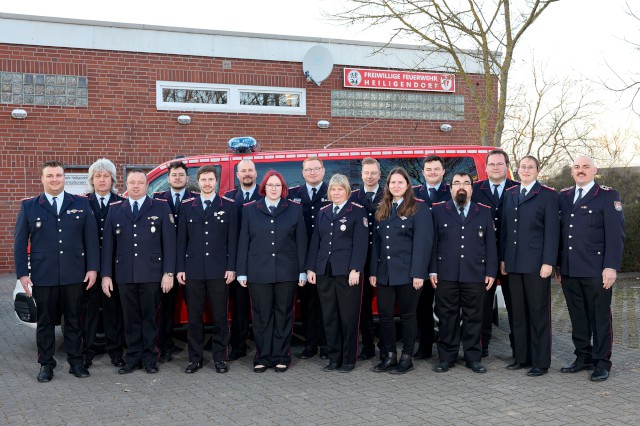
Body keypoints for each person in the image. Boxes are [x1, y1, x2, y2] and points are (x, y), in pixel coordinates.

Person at [14, 160, 99, 382]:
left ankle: (76, 362)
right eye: (50, 176)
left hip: (74, 273)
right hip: (44, 275)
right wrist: (23, 274)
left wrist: (92, 269)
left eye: (58, 175)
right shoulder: (30, 206)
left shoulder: (81, 204)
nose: (54, 180)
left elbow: (90, 240)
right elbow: (20, 242)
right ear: (42, 179)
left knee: (74, 320)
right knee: (45, 322)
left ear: (64, 178)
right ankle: (46, 364)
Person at [557, 155, 625, 382]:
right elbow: (560, 233)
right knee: (578, 317)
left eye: (586, 166)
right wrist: (559, 265)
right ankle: (583, 357)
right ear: (572, 172)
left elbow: (615, 235)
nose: (581, 170)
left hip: (597, 270)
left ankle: (602, 362)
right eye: (577, 167)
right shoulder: (564, 196)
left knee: (600, 318)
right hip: (569, 269)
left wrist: (611, 267)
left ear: (595, 170)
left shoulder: (607, 195)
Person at [101, 169, 176, 374]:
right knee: (130, 318)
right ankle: (133, 357)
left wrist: (168, 272)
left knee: (150, 318)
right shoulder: (115, 209)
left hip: (152, 274)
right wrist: (106, 275)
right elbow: (108, 245)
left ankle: (150, 357)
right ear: (126, 185)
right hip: (124, 275)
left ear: (146, 186)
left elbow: (170, 243)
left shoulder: (160, 207)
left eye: (140, 183)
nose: (136, 186)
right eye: (132, 182)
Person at [237, 170, 308, 373]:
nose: (274, 188)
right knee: (261, 316)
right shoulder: (250, 209)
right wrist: (242, 271)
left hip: (287, 272)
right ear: (264, 188)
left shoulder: (294, 209)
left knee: (283, 314)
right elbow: (244, 241)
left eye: (278, 185)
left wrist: (302, 271)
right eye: (270, 185)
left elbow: (301, 242)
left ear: (283, 188)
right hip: (258, 272)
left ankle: (281, 356)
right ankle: (263, 356)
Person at [430, 172, 497, 374]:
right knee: (447, 317)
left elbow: (491, 245)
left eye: (466, 183)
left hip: (475, 273)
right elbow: (432, 243)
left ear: (471, 188)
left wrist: (491, 271)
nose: (461, 186)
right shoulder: (437, 210)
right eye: (457, 183)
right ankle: (446, 358)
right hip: (445, 274)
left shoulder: (484, 212)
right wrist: (432, 269)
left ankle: (473, 357)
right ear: (450, 188)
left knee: (474, 317)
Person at [370, 167, 433, 374]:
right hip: (385, 273)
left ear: (408, 185)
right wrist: (373, 272)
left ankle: (407, 357)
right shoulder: (382, 208)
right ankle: (389, 355)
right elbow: (376, 245)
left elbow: (422, 244)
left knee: (407, 316)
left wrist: (418, 273)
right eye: (392, 183)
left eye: (400, 182)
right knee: (386, 316)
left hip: (408, 274)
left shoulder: (418, 208)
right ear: (387, 186)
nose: (396, 186)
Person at [501, 156, 559, 377]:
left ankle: (540, 362)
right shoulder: (511, 194)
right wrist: (504, 259)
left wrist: (548, 262)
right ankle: (521, 358)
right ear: (517, 170)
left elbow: (552, 232)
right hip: (514, 263)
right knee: (518, 313)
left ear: (537, 170)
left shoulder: (547, 195)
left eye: (530, 167)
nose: (526, 170)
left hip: (536, 265)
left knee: (538, 313)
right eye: (522, 167)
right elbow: (506, 230)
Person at [177, 166, 237, 374]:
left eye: (211, 179)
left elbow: (233, 240)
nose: (207, 183)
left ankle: (220, 357)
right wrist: (180, 268)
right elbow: (181, 240)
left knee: (220, 316)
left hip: (219, 271)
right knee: (194, 318)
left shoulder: (228, 206)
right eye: (203, 180)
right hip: (193, 270)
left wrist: (231, 267)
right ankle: (195, 359)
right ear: (198, 182)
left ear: (216, 182)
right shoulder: (187, 206)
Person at [307, 174, 369, 373]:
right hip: (325, 271)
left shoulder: (357, 212)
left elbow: (361, 245)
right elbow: (316, 241)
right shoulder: (323, 212)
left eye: (340, 189)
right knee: (330, 316)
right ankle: (334, 359)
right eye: (333, 189)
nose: (336, 192)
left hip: (347, 272)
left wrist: (356, 269)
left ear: (347, 191)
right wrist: (311, 268)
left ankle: (349, 359)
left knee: (348, 317)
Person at [81, 158, 127, 370]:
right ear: (92, 180)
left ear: (112, 179)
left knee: (113, 312)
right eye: (97, 176)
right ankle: (86, 353)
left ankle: (115, 352)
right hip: (88, 268)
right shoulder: (81, 203)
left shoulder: (121, 203)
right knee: (88, 313)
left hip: (114, 268)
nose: (102, 180)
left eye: (105, 176)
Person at [471, 149, 517, 357]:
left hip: (513, 257)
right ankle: (481, 348)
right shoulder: (474, 189)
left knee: (516, 307)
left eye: (500, 164)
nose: (496, 168)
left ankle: (519, 350)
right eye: (492, 164)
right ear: (485, 167)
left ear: (506, 166)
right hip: (482, 257)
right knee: (482, 307)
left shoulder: (518, 189)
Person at [152, 160, 198, 363]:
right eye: (173, 175)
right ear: (168, 178)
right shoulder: (157, 199)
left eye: (181, 175)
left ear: (187, 178)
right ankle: (164, 347)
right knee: (165, 308)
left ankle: (194, 351)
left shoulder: (195, 199)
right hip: (166, 263)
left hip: (190, 262)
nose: (177, 178)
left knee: (194, 308)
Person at [288, 156, 330, 359]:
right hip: (302, 257)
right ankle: (310, 344)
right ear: (303, 173)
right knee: (307, 304)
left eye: (316, 168)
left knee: (325, 303)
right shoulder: (294, 194)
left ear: (323, 171)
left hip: (326, 256)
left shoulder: (332, 191)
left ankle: (325, 344)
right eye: (308, 169)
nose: (312, 172)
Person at [412, 155, 451, 360]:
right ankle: (424, 347)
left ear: (443, 171)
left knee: (445, 308)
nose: (433, 172)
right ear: (423, 172)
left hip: (445, 258)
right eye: (429, 169)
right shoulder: (413, 194)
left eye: (437, 169)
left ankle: (445, 351)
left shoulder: (451, 191)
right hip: (421, 259)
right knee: (422, 307)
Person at [224, 159, 260, 361]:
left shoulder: (265, 195)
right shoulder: (229, 198)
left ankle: (264, 345)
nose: (247, 174)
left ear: (256, 174)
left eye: (250, 170)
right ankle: (238, 346)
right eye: (243, 171)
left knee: (261, 306)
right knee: (238, 307)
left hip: (260, 260)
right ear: (237, 175)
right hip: (237, 261)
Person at [349, 157, 384, 360]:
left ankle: (387, 346)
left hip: (383, 257)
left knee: (387, 303)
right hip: (360, 258)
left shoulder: (388, 195)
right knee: (362, 305)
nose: (369, 176)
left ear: (380, 174)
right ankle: (368, 345)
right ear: (361, 175)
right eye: (366, 173)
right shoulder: (353, 197)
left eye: (373, 173)